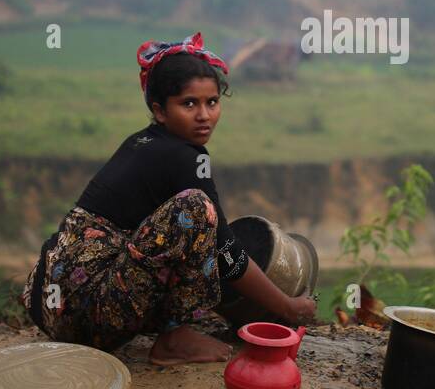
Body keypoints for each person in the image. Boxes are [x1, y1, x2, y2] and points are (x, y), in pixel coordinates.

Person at [21, 32, 316, 364]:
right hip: (81, 315)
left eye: (212, 102)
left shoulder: (144, 142)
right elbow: (225, 253)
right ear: (160, 111)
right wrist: (288, 306)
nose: (204, 115)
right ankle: (174, 339)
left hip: (47, 303)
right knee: (196, 211)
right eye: (189, 104)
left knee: (191, 229)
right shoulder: (182, 159)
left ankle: (175, 329)